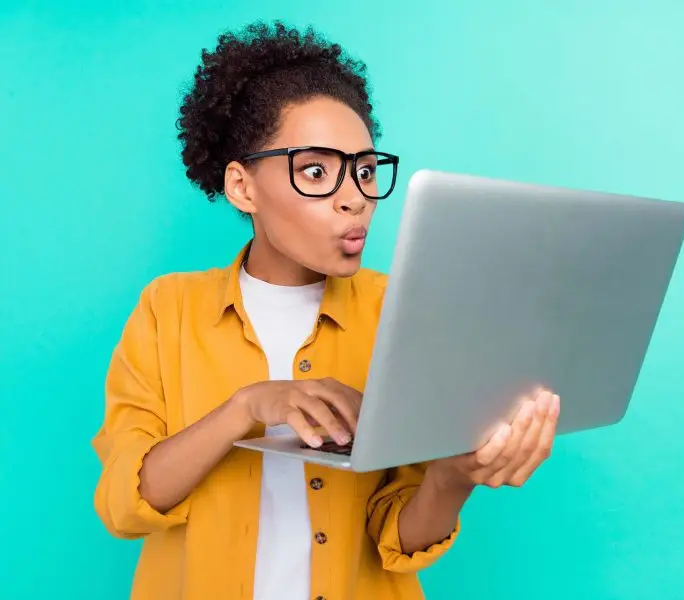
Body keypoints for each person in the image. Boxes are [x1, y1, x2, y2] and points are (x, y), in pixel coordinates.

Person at [92, 21, 561, 600]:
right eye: (316, 171)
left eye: (364, 170)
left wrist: (451, 477)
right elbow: (125, 505)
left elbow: (397, 536)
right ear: (242, 187)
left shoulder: (403, 310)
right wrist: (245, 408)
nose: (355, 197)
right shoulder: (169, 309)